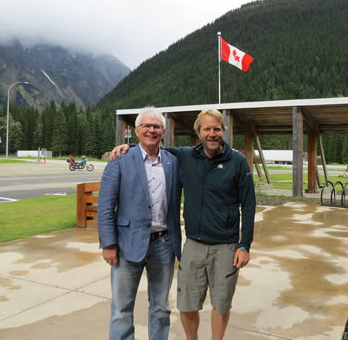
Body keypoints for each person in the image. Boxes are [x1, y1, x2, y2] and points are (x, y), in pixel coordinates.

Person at [111, 108, 256, 340]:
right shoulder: (186, 156)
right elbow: (152, 147)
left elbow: (249, 206)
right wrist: (127, 147)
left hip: (226, 245)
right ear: (198, 131)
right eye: (207, 129)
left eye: (216, 129)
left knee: (221, 302)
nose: (212, 133)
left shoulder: (237, 161)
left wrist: (244, 244)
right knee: (187, 302)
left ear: (223, 131)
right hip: (194, 245)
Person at [97, 107, 182, 340]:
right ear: (136, 130)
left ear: (163, 131)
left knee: (161, 307)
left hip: (163, 245)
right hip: (126, 245)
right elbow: (105, 205)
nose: (151, 130)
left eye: (156, 127)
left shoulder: (173, 162)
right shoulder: (120, 159)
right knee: (121, 310)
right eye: (146, 126)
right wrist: (108, 244)